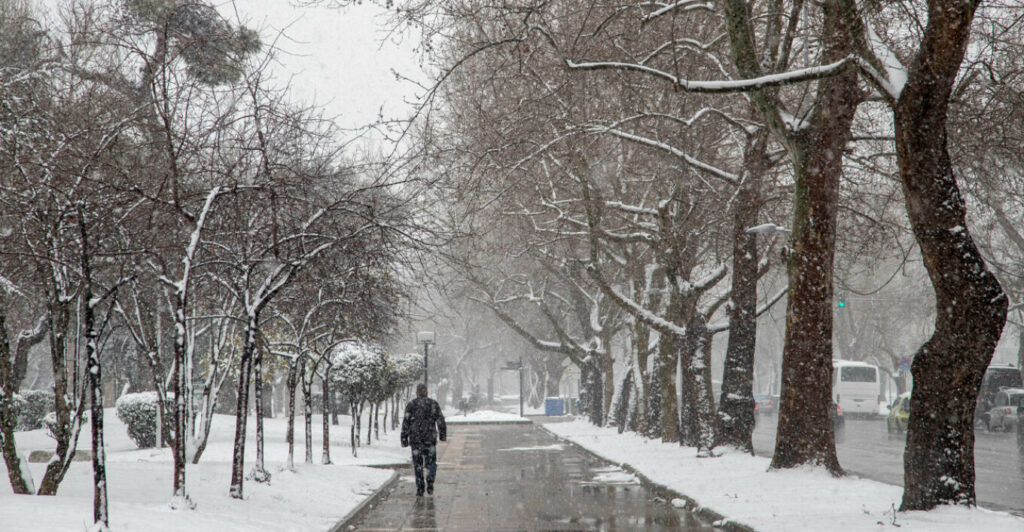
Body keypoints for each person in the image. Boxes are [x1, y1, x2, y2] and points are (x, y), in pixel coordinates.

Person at [401, 383, 446, 496]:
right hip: (430, 438)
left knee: (418, 465)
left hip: (416, 439)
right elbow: (440, 420)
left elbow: (406, 422)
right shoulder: (433, 404)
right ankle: (430, 479)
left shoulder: (411, 405)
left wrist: (404, 438)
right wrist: (442, 434)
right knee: (431, 462)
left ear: (416, 393)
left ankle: (420, 488)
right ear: (427, 392)